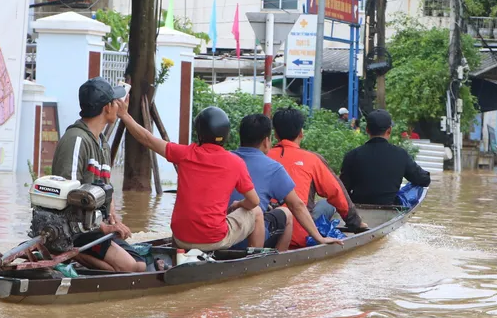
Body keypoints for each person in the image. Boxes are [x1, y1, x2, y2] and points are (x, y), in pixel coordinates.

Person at [118, 100, 265, 251]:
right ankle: (256, 260)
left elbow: (147, 139)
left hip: (181, 238)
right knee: (257, 212)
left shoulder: (184, 154)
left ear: (200, 134)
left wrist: (124, 115)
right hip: (214, 239)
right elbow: (254, 201)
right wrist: (239, 204)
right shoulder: (236, 163)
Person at [50, 77, 143, 273]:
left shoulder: (102, 143)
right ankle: (68, 252)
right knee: (132, 268)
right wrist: (104, 228)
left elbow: (105, 189)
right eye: (114, 102)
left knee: (141, 265)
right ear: (107, 108)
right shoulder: (76, 139)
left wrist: (113, 220)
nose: (119, 106)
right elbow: (68, 197)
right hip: (75, 230)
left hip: (95, 228)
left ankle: (81, 258)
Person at [232, 114, 344, 251]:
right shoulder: (273, 167)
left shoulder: (224, 160)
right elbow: (297, 205)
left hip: (223, 231)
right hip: (250, 237)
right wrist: (319, 238)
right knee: (286, 213)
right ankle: (278, 260)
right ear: (266, 141)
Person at [270, 108, 366, 248]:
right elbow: (337, 193)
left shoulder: (263, 157)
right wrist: (356, 223)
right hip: (299, 236)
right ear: (301, 133)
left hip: (266, 233)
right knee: (328, 203)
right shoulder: (312, 159)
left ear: (275, 134)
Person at [340, 109, 431, 206]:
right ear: (389, 130)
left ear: (367, 129)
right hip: (389, 208)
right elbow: (424, 180)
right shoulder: (401, 154)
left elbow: (342, 189)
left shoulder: (352, 155)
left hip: (358, 209)